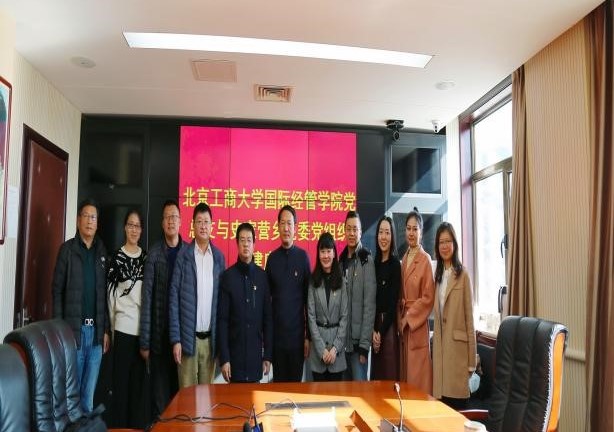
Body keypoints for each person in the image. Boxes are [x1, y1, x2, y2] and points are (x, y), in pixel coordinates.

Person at [52, 198, 110, 413]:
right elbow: (56, 290)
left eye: (93, 217)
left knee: (88, 399)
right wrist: (60, 330)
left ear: (97, 223)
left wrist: (106, 330)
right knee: (71, 397)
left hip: (95, 336)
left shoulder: (102, 252)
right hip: (73, 333)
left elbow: (105, 295)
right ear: (78, 221)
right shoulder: (67, 250)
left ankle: (85, 427)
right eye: (85, 216)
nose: (89, 221)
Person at [169, 202, 226, 387]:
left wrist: (220, 343)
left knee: (206, 397)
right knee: (186, 396)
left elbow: (222, 303)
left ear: (212, 226)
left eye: (206, 222)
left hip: (210, 342)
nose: (203, 226)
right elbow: (174, 299)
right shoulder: (183, 256)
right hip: (187, 339)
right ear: (192, 225)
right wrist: (176, 340)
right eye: (199, 221)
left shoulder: (218, 258)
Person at [140, 199, 187, 419]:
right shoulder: (154, 254)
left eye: (174, 217)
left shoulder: (188, 253)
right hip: (159, 338)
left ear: (180, 222)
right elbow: (147, 297)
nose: (171, 221)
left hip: (182, 340)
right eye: (167, 217)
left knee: (181, 398)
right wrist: (145, 341)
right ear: (162, 222)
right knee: (160, 400)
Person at [217, 222, 273, 383]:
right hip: (234, 359)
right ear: (237, 244)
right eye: (242, 240)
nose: (246, 244)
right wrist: (224, 358)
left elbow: (268, 319)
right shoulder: (228, 277)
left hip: (255, 358)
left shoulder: (262, 277)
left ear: (254, 244)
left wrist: (267, 355)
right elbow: (222, 320)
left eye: (249, 240)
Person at [107, 209, 147, 428]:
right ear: (125, 228)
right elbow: (110, 298)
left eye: (137, 226)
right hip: (122, 329)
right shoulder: (116, 258)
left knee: (137, 389)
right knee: (120, 387)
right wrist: (111, 330)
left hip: (141, 333)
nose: (134, 230)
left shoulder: (146, 258)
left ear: (141, 230)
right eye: (130, 225)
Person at [432, 222, 476, 409]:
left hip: (458, 355)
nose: (444, 246)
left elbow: (470, 320)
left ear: (455, 244)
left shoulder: (463, 275)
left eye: (448, 241)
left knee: (458, 410)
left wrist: (472, 362)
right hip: (441, 355)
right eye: (441, 242)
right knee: (441, 411)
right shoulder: (438, 276)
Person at [265, 205, 311, 382]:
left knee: (295, 389)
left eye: (289, 224)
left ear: (295, 227)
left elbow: (309, 302)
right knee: (278, 388)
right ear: (277, 226)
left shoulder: (303, 258)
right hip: (277, 341)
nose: (286, 228)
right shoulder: (272, 259)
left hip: (297, 340)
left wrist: (308, 337)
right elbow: (266, 304)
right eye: (282, 223)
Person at [398, 207, 435, 395]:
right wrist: (399, 318)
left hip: (417, 326)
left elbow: (428, 298)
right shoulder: (404, 258)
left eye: (415, 229)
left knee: (418, 380)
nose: (411, 233)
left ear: (421, 232)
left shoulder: (425, 259)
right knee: (405, 377)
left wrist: (408, 317)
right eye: (408, 229)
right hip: (404, 327)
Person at [339, 211, 376, 381]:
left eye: (355, 229)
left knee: (360, 392)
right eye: (349, 229)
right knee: (343, 393)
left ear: (361, 232)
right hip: (341, 346)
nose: (352, 233)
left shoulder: (366, 259)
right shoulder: (340, 261)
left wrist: (364, 346)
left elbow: (369, 305)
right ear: (344, 231)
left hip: (358, 347)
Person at [307, 232, 348, 381]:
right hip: (318, 355)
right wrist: (322, 350)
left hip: (337, 355)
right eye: (322, 251)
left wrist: (335, 349)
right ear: (318, 254)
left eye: (329, 251)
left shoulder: (342, 282)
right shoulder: (313, 281)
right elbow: (311, 317)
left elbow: (344, 317)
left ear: (334, 253)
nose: (326, 256)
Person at [370, 216, 401, 381]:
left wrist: (380, 333)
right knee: (375, 381)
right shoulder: (372, 263)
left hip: (388, 328)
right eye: (381, 232)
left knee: (389, 379)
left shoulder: (395, 264)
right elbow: (370, 301)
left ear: (392, 236)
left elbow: (393, 303)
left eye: (387, 233)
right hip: (373, 327)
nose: (384, 237)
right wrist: (373, 331)